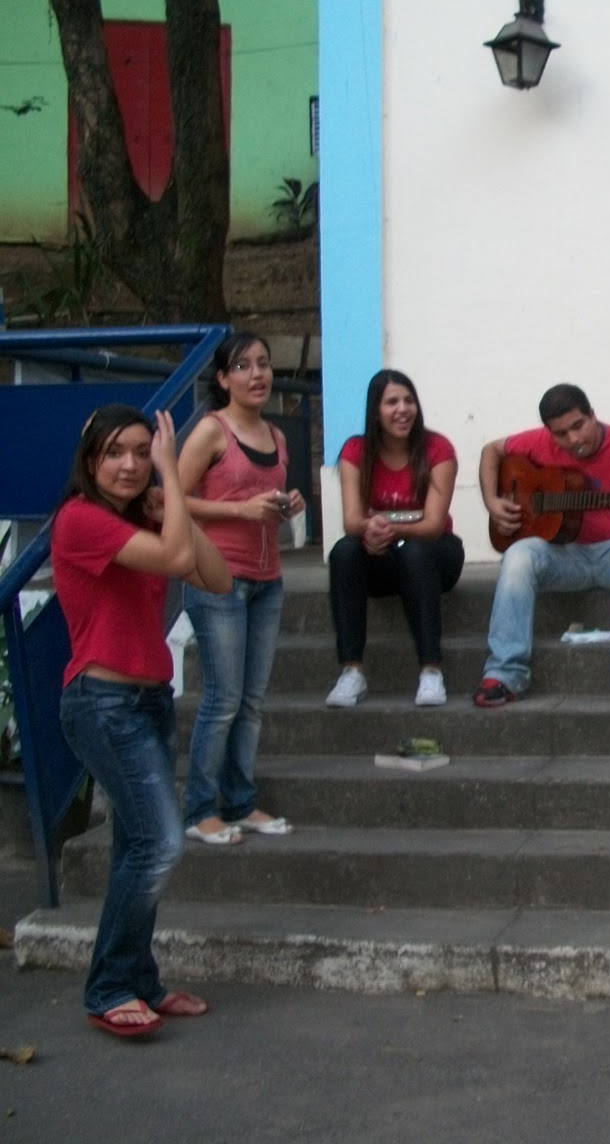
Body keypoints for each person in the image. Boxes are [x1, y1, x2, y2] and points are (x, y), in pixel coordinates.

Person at [52, 405, 232, 1037]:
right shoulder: (80, 520)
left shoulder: (146, 522)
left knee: (137, 847)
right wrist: (172, 479)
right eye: (114, 453)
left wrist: (167, 503)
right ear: (89, 461)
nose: (129, 465)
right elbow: (177, 557)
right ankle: (108, 987)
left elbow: (217, 576)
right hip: (102, 703)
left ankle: (137, 980)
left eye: (139, 452)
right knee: (161, 843)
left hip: (150, 701)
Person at [475, 384, 610, 709]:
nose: (573, 439)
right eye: (561, 434)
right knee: (517, 555)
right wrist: (492, 501)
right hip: (563, 556)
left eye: (579, 426)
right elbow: (491, 450)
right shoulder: (537, 443)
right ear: (548, 432)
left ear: (592, 415)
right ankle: (504, 673)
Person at [178, 332, 302, 845]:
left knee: (251, 700)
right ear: (223, 379)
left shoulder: (277, 436)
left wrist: (287, 505)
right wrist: (240, 510)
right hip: (217, 577)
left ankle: (240, 801)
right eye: (244, 366)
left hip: (267, 579)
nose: (257, 374)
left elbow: (262, 501)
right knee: (223, 698)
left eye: (264, 364)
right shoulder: (212, 431)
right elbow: (172, 499)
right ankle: (199, 808)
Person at [326, 370, 465, 708]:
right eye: (391, 402)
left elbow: (433, 525)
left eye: (408, 401)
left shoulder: (437, 448)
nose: (402, 409)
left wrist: (387, 529)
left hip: (436, 555)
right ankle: (351, 671)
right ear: (375, 410)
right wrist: (371, 531)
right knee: (344, 551)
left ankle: (431, 670)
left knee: (416, 551)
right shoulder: (356, 450)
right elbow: (351, 521)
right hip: (383, 554)